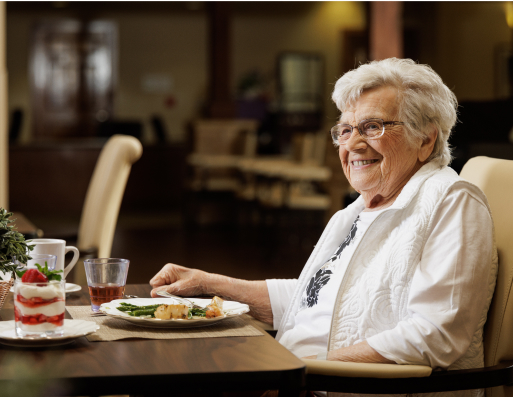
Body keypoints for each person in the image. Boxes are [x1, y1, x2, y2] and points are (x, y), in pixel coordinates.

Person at [150, 58, 497, 394]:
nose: (352, 144)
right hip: (302, 377)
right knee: (162, 365)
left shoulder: (451, 201)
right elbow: (310, 299)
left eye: (373, 127)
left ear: (425, 140)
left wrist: (301, 369)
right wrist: (209, 284)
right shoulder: (355, 211)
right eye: (345, 130)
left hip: (330, 386)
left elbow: (436, 334)